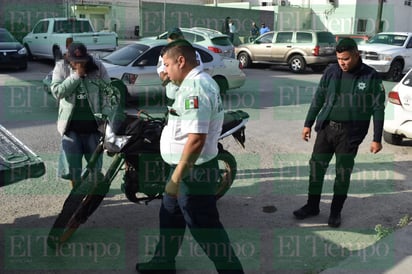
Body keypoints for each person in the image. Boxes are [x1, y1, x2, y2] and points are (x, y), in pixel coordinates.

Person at [136, 39, 244, 274]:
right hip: (185, 169)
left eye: (166, 64)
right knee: (169, 215)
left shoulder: (196, 88)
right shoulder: (191, 83)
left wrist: (176, 178)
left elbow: (196, 139)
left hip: (194, 173)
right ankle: (163, 263)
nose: (163, 69)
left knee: (205, 228)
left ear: (181, 61)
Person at [293, 38, 386, 228]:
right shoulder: (331, 71)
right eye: (339, 59)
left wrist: (376, 139)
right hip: (327, 129)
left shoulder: (371, 76)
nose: (342, 63)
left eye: (346, 59)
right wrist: (308, 123)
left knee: (342, 174)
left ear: (356, 54)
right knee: (316, 169)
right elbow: (318, 98)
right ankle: (312, 206)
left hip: (350, 134)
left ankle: (335, 212)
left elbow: (378, 109)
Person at [50, 42, 112, 188]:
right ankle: (76, 191)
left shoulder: (97, 67)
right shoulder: (61, 67)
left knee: (94, 166)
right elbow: (57, 92)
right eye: (74, 61)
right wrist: (76, 75)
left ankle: (93, 190)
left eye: (81, 61)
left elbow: (108, 92)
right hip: (71, 127)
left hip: (94, 127)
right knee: (72, 167)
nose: (78, 64)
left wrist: (105, 114)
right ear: (68, 58)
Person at [157, 27, 203, 107]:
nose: (175, 40)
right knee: (173, 115)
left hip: (189, 92)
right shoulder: (164, 55)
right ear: (168, 40)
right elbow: (161, 72)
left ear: (182, 38)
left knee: (189, 113)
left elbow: (197, 71)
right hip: (173, 95)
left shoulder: (193, 53)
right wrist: (166, 77)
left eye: (177, 37)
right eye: (172, 38)